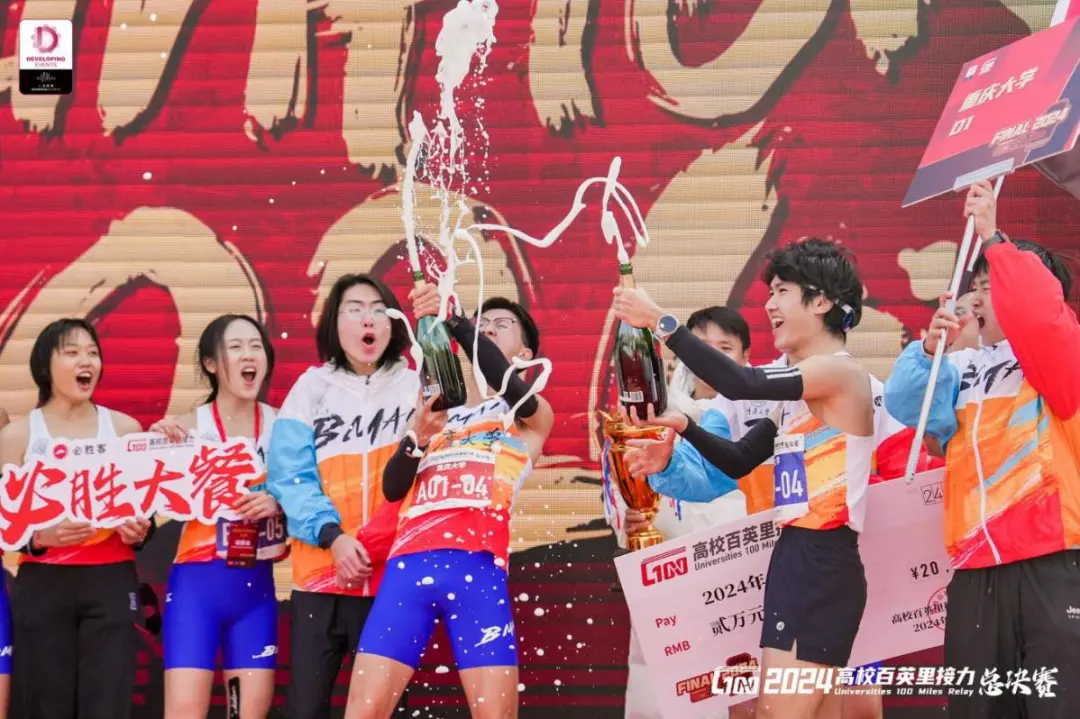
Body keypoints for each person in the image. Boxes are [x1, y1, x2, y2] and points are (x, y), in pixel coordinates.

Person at [613, 238, 875, 719]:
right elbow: (739, 460)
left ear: (820, 301)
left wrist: (660, 322)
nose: (770, 305)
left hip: (822, 559)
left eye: (782, 291)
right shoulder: (795, 398)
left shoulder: (840, 374)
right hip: (794, 556)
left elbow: (740, 383)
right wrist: (683, 425)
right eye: (770, 293)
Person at [884, 179, 1080, 719]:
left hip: (1052, 561)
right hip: (975, 568)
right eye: (975, 285)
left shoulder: (1059, 357)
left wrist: (993, 235)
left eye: (989, 285)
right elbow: (906, 405)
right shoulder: (962, 368)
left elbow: (1039, 317)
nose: (975, 297)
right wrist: (929, 350)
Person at [344, 290, 554, 719]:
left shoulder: (529, 415)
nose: (488, 328)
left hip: (478, 571)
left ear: (526, 353)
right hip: (407, 570)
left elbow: (504, 381)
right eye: (483, 322)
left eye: (501, 324)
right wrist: (417, 438)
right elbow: (392, 489)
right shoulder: (433, 412)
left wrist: (457, 319)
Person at [267, 274, 416, 719]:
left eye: (378, 309)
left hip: (391, 579)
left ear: (394, 324)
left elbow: (428, 475)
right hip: (320, 577)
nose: (367, 319)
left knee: (383, 710)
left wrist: (377, 543)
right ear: (334, 323)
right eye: (354, 309)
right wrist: (333, 537)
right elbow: (290, 475)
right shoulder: (310, 389)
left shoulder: (415, 387)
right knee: (306, 709)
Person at [603, 306, 752, 719]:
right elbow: (619, 485)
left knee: (741, 692)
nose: (712, 357)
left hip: (738, 579)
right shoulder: (650, 413)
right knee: (661, 690)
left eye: (725, 348)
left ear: (746, 358)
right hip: (667, 573)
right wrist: (629, 521)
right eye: (702, 346)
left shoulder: (761, 414)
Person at [0, 318, 153, 719]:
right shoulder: (17, 436)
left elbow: (145, 510)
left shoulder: (125, 430)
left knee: (108, 704)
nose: (87, 362)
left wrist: (140, 530)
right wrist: (38, 537)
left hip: (111, 580)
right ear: (44, 366)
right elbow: (5, 520)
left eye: (93, 353)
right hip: (43, 583)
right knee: (45, 705)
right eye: (72, 353)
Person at [148, 315, 285, 718]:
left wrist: (278, 499)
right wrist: (153, 447)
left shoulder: (285, 426)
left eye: (256, 346)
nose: (249, 355)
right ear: (210, 363)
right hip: (196, 590)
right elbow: (141, 499)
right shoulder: (184, 429)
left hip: (256, 592)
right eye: (236, 347)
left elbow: (311, 491)